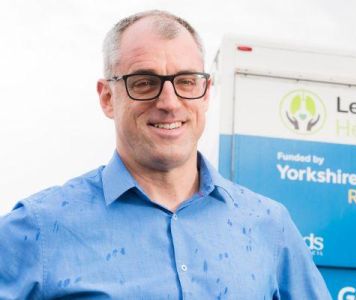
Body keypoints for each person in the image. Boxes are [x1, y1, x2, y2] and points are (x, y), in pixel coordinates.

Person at [0, 10, 331, 299]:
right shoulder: (38, 229)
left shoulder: (269, 227)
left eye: (186, 81)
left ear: (206, 93)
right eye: (144, 83)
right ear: (107, 98)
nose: (170, 102)